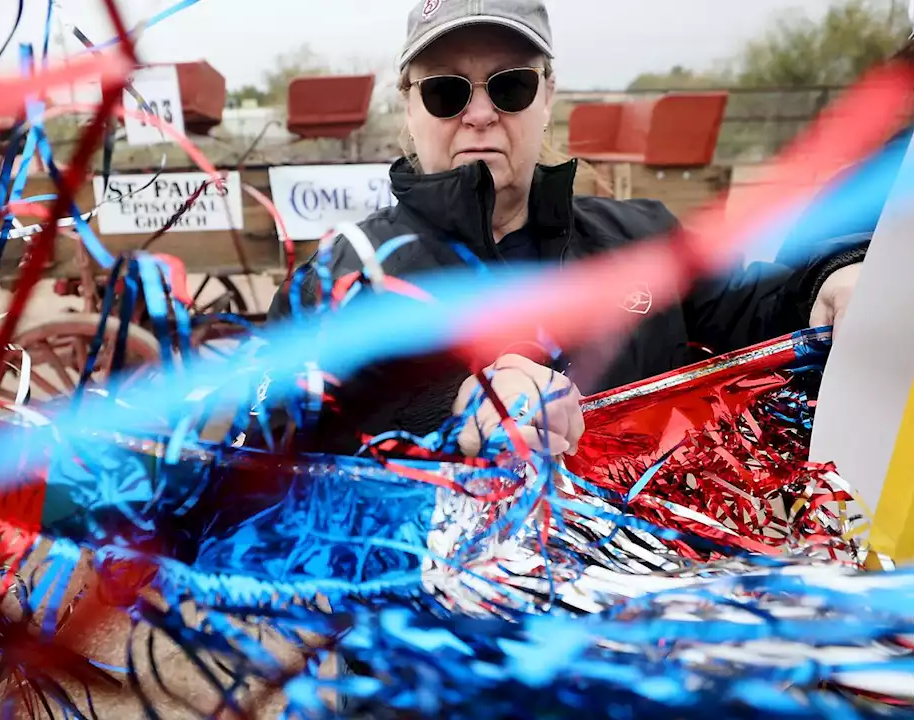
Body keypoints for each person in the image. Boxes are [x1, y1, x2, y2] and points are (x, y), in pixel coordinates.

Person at [265, 0, 871, 459]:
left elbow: (756, 307)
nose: (480, 113)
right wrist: (448, 409)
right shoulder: (344, 275)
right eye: (446, 91)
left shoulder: (644, 238)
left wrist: (831, 279)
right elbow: (275, 427)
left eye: (511, 86)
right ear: (408, 105)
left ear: (547, 96)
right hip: (429, 614)